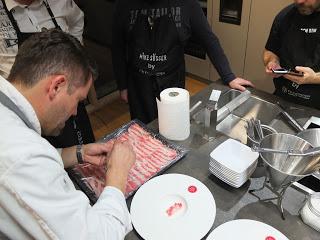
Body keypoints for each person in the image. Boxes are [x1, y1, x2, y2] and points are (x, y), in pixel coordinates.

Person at [0, 29, 136, 239]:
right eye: (78, 101)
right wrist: (117, 176)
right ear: (56, 86)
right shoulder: (23, 157)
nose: (75, 113)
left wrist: (75, 153)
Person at [112, 0, 254, 124]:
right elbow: (117, 46)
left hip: (172, 82)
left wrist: (228, 76)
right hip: (138, 85)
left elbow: (209, 40)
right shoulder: (124, 4)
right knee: (142, 130)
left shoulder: (187, 4)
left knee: (172, 126)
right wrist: (122, 85)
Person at [0, 0, 95, 147]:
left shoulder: (60, 2)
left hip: (67, 97)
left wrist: (77, 57)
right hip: (26, 112)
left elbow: (77, 19)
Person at [263, 0, 320, 109]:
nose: (299, 1)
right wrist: (272, 62)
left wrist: (314, 78)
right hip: (282, 100)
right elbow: (270, 50)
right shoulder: (285, 16)